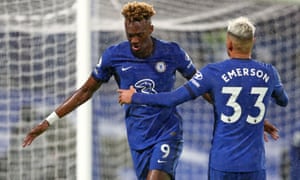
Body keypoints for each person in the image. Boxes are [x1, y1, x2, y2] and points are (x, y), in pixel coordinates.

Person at [118, 16, 288, 180]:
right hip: (254, 164)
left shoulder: (213, 72)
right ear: (253, 41)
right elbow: (283, 101)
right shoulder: (269, 72)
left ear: (228, 43)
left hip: (223, 163)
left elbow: (171, 99)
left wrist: (135, 97)